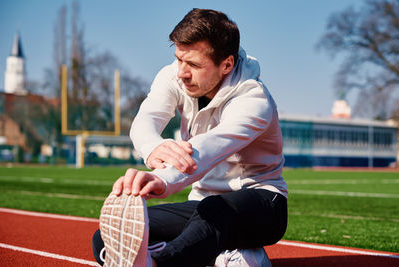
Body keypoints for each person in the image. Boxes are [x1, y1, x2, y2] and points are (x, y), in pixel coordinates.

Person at [92, 8, 288, 267]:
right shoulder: (174, 75)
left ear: (226, 64)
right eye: (178, 59)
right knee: (105, 238)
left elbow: (208, 149)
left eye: (194, 64)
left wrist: (159, 179)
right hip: (201, 205)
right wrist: (153, 147)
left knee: (215, 214)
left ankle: (159, 263)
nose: (182, 72)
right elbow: (146, 119)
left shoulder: (254, 100)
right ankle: (227, 253)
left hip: (262, 203)